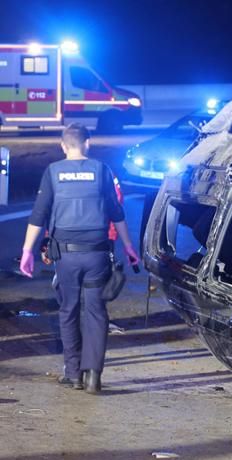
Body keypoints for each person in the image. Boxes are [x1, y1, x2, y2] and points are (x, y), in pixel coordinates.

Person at [19, 123, 139, 394]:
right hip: (97, 253)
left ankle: (73, 373)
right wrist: (129, 247)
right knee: (97, 312)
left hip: (66, 256)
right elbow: (116, 212)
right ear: (88, 143)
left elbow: (39, 214)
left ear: (63, 146)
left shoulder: (53, 172)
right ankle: (94, 375)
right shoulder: (102, 171)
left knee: (68, 310)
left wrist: (27, 251)